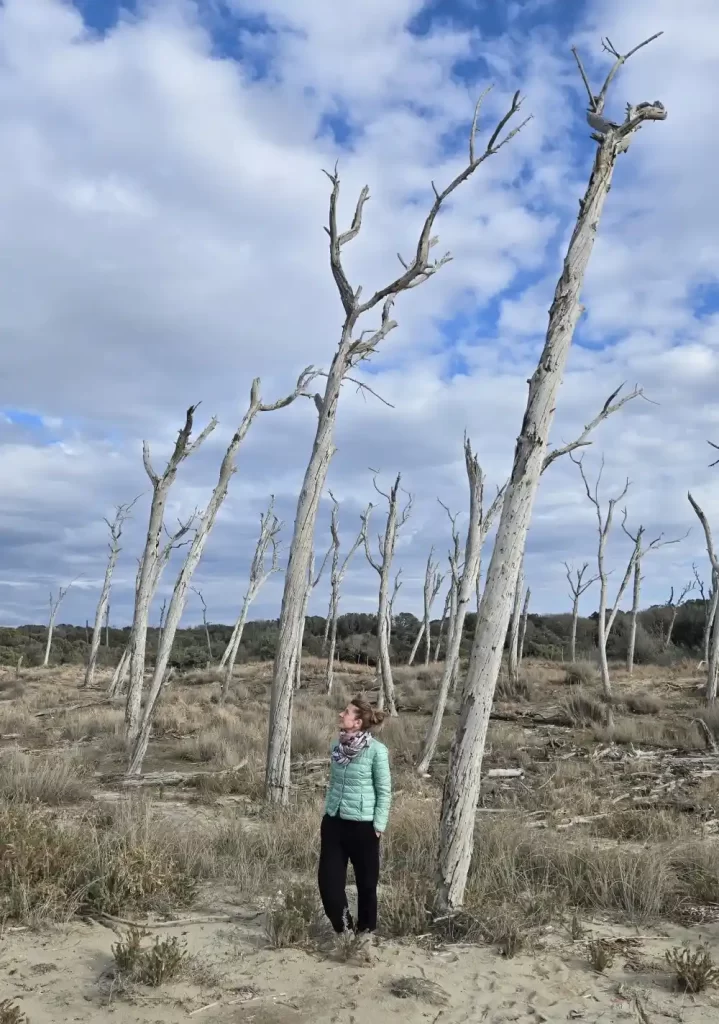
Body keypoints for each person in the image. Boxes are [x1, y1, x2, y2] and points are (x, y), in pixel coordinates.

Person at [318, 696, 391, 940]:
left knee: (367, 886)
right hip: (334, 824)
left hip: (364, 828)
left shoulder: (377, 752)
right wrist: (329, 811)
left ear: (358, 722)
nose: (341, 714)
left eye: (347, 712)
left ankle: (366, 936)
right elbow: (333, 785)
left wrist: (378, 826)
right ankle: (346, 932)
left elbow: (384, 791)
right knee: (329, 885)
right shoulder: (336, 748)